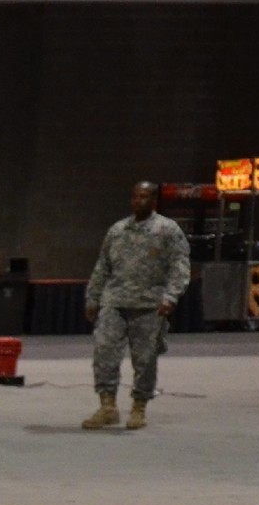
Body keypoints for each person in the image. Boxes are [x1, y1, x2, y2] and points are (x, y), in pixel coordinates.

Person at [82, 181, 191, 431]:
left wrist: (171, 297)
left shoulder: (167, 230)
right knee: (104, 352)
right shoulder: (118, 230)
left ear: (154, 201)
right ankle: (107, 406)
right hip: (115, 300)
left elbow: (180, 266)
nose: (137, 201)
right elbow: (102, 267)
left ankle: (139, 407)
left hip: (149, 304)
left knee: (144, 360)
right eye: (134, 196)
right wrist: (93, 298)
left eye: (143, 197)